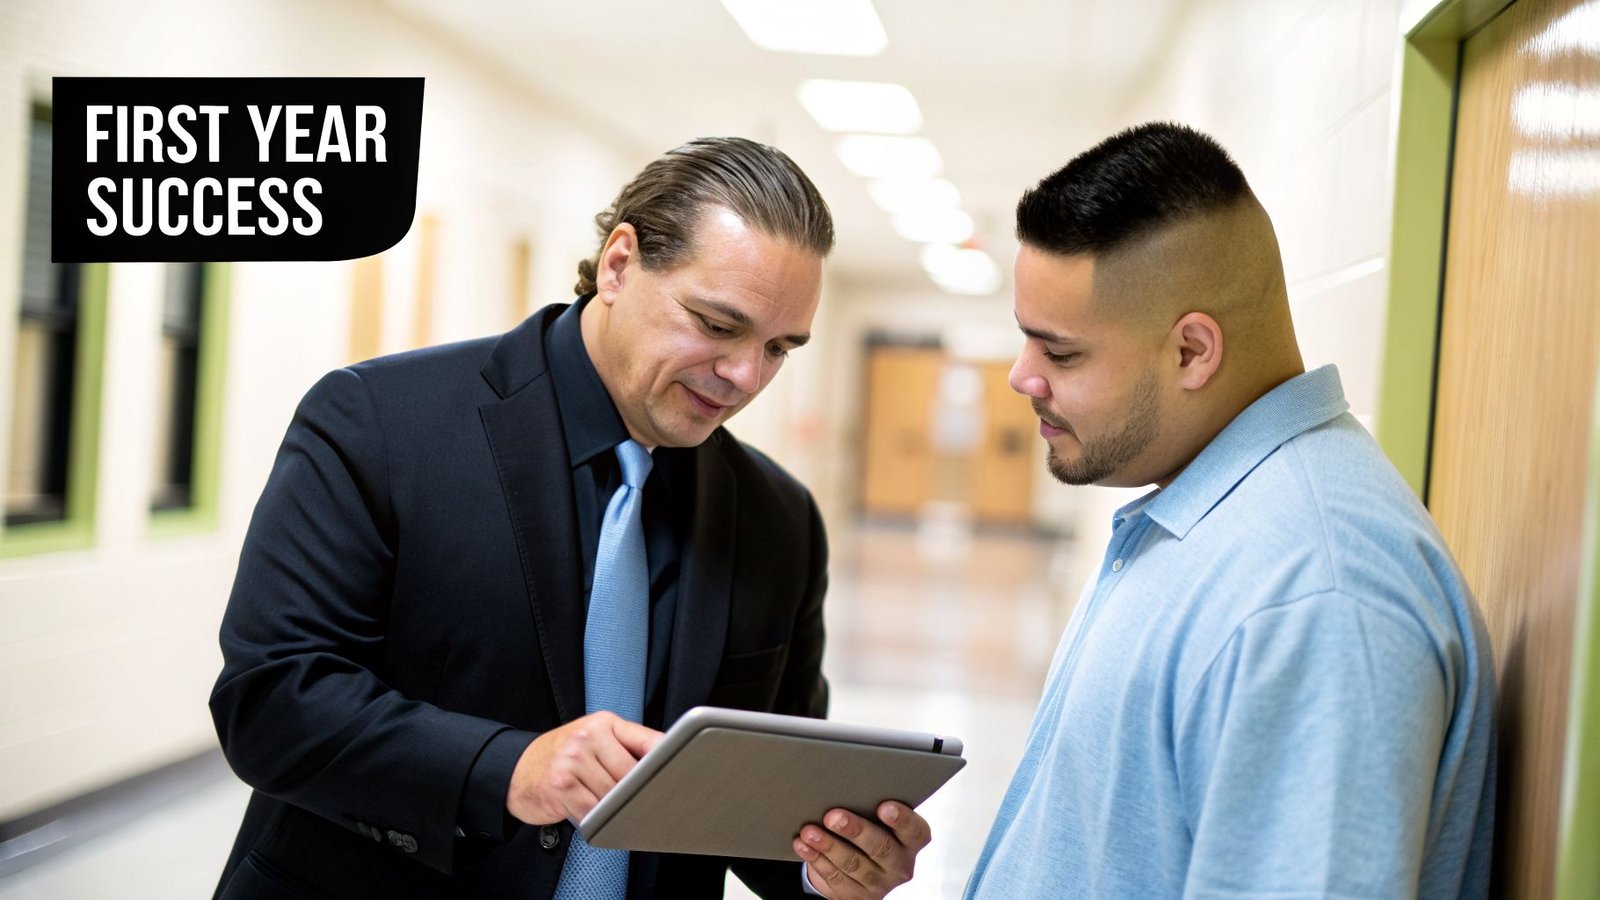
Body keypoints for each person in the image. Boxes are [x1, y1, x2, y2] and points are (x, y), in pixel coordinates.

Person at [210, 137, 929, 900]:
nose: (746, 376)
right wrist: (508, 768)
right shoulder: (381, 424)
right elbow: (271, 701)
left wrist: (834, 865)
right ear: (618, 265)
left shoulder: (778, 519)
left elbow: (763, 803)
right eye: (718, 326)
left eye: (779, 348)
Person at [964, 123, 1495, 898]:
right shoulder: (1206, 524)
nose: (1022, 377)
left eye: (1061, 352)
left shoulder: (1316, 597)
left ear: (1191, 351)